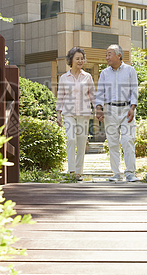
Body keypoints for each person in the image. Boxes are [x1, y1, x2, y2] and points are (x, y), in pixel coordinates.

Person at [95, 44, 138, 182]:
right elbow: (100, 92)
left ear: (119, 55)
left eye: (109, 54)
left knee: (127, 140)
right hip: (110, 110)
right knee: (113, 142)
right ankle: (116, 173)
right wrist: (99, 108)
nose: (107, 57)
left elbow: (134, 91)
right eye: (106, 55)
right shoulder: (104, 73)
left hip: (127, 109)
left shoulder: (130, 71)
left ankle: (130, 173)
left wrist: (133, 107)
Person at [56, 47, 95, 180]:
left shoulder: (87, 77)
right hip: (69, 113)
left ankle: (79, 172)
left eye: (82, 58)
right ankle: (71, 170)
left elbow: (92, 95)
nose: (80, 61)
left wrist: (98, 109)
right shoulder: (64, 78)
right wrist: (58, 114)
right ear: (71, 60)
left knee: (81, 142)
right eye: (77, 58)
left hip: (84, 113)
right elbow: (60, 96)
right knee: (71, 139)